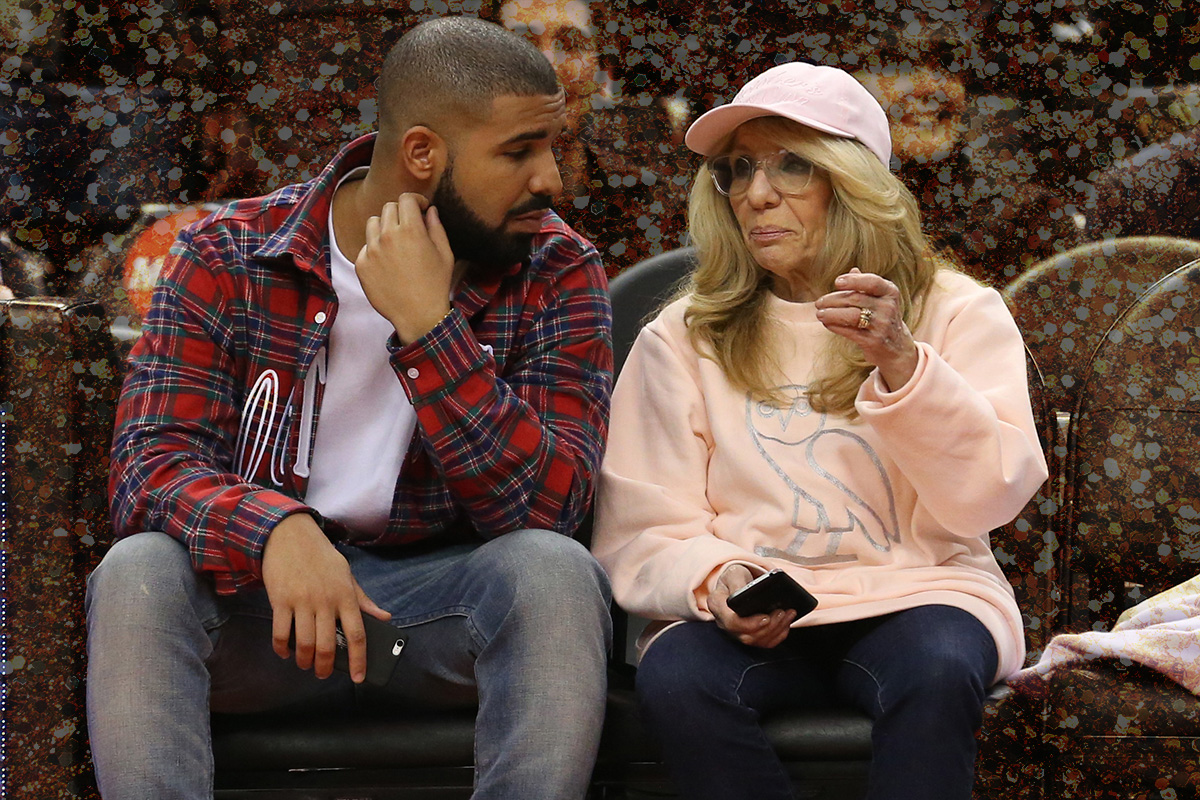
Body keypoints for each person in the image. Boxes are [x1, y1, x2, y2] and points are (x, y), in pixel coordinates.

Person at [85, 17, 613, 800]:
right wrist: (273, 528)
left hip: (435, 612)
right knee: (137, 574)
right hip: (262, 615)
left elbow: (550, 505)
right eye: (519, 151)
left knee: (553, 573)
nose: (551, 181)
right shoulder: (227, 254)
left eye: (552, 148)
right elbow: (148, 468)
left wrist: (431, 332)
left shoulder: (556, 268)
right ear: (423, 154)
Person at [591, 61, 1049, 800]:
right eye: (737, 170)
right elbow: (642, 527)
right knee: (677, 679)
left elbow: (987, 499)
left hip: (919, 594)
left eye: (792, 165)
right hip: (755, 612)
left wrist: (903, 364)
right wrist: (718, 578)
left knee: (938, 665)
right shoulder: (683, 334)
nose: (756, 193)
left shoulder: (958, 311)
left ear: (854, 182)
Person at [496, 0, 692, 276]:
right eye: (521, 44)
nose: (547, 65)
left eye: (571, 44)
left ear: (603, 73)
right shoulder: (454, 208)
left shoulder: (645, 203)